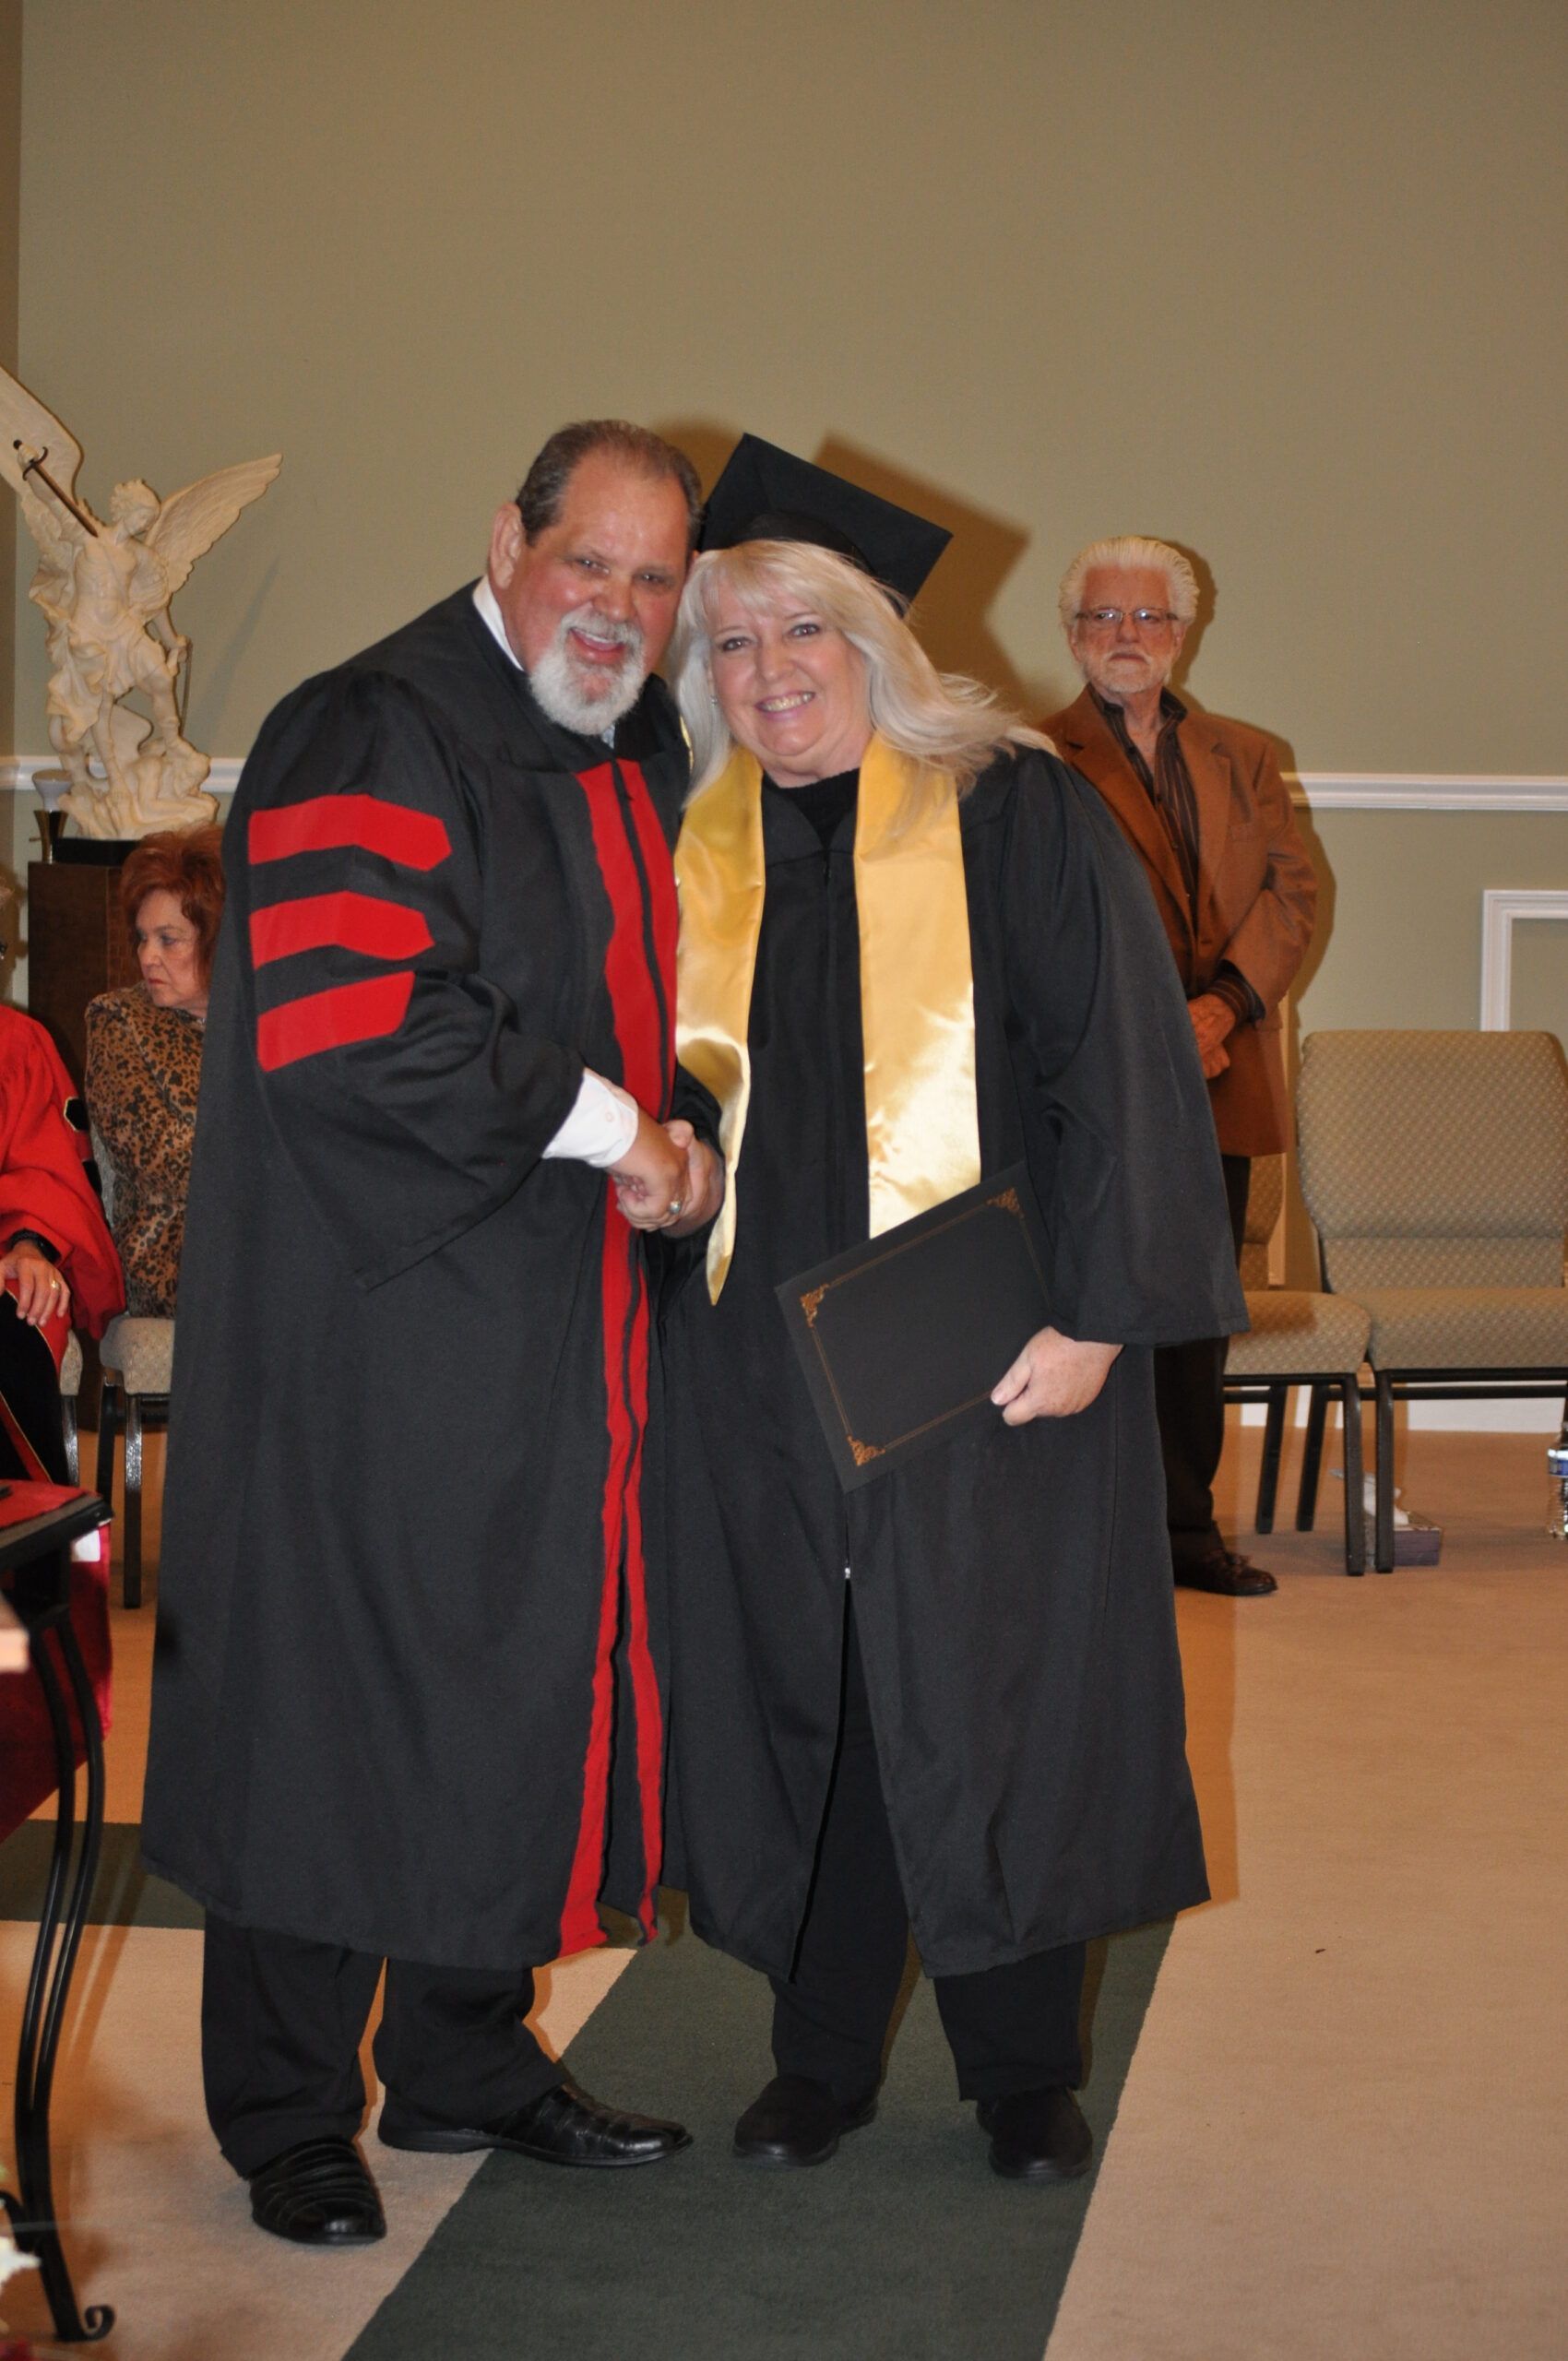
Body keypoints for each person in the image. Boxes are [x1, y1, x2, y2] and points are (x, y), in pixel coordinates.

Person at [141, 420, 722, 2250]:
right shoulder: (371, 724)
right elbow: (350, 1026)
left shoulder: (614, 739)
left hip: (548, 1316)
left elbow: (647, 999)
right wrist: (615, 1130)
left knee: (512, 1675)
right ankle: (288, 2111)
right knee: (329, 1696)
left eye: (653, 578)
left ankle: (465, 2057)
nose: (616, 605)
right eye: (587, 561)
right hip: (369, 1324)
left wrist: (684, 1131)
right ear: (504, 540)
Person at [660, 441, 1244, 2187]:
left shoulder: (1014, 809)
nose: (770, 673)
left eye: (803, 633)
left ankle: (1022, 2073)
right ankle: (819, 2060)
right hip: (759, 1356)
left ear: (872, 641)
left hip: (994, 1349)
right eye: (734, 641)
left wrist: (1100, 1319)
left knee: (1001, 1688)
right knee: (813, 1694)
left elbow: (1118, 1071)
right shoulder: (689, 843)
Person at [1043, 539, 1317, 1597]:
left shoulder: (1244, 755)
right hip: (1097, 1079)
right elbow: (1044, 917)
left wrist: (1221, 1006)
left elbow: (1291, 896)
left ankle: (1185, 1532)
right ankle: (1098, 1537)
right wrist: (1157, 1021)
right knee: (1099, 1299)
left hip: (1220, 1069)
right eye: (1104, 617)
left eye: (1147, 617)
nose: (1127, 635)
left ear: (1182, 632)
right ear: (1072, 633)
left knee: (1195, 1319)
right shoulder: (1035, 755)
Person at [0, 990, 124, 1843]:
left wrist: (30, 1242)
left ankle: (18, 1661)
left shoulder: (14, 1044)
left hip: (1, 1267)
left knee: (16, 1321)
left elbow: (47, 1171)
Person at [85, 825, 225, 1314]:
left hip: (271, 1232)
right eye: (143, 938)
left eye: (169, 940)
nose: (148, 956)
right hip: (170, 1251)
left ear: (219, 941)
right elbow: (162, 1160)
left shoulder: (264, 1023)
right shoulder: (119, 1020)